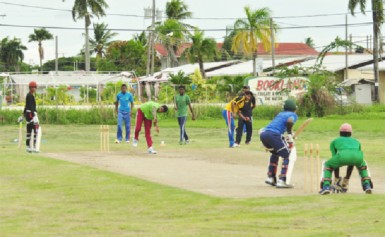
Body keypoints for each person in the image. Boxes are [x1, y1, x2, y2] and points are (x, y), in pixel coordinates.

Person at [319, 123, 373, 195]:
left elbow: (335, 162)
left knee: (327, 164)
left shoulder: (334, 141)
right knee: (363, 165)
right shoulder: (357, 141)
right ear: (350, 133)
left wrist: (337, 178)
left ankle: (326, 186)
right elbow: (352, 162)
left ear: (340, 133)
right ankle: (367, 185)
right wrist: (346, 179)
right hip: (358, 157)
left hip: (342, 157)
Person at [260, 99, 298, 188]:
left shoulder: (280, 114)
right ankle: (282, 180)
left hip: (264, 134)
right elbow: (289, 121)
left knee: (275, 153)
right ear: (294, 108)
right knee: (287, 155)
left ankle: (271, 177)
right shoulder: (293, 115)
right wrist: (289, 133)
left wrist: (289, 134)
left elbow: (277, 127)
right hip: (273, 135)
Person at [23, 81, 39, 153]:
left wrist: (23, 115)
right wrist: (34, 115)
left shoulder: (29, 95)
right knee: (36, 130)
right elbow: (30, 106)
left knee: (29, 131)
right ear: (31, 88)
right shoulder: (30, 95)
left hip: (28, 114)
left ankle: (28, 147)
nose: (35, 89)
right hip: (31, 114)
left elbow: (26, 106)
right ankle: (35, 146)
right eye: (34, 87)